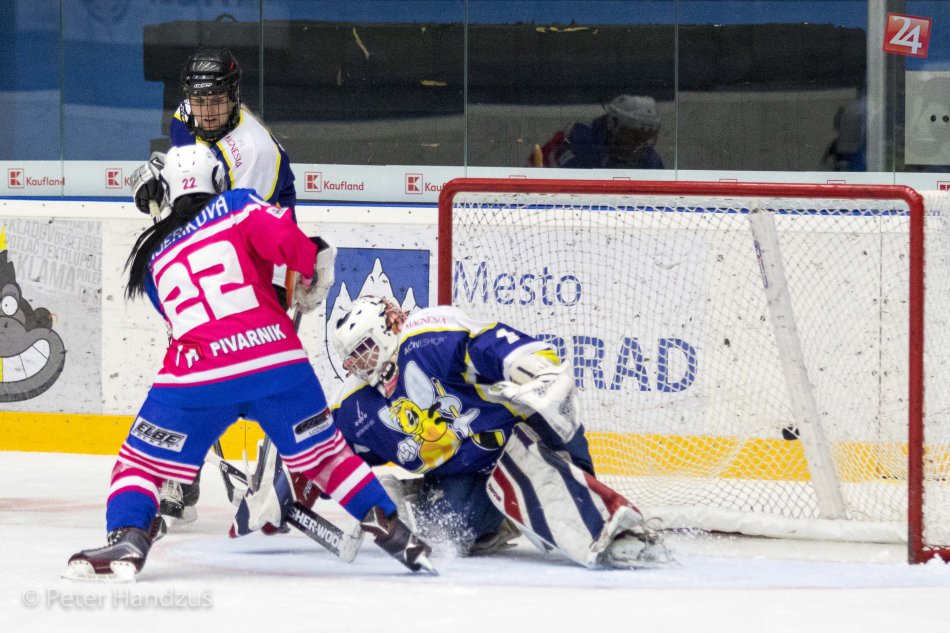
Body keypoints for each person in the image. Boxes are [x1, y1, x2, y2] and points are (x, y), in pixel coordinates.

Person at [63, 147, 433, 580]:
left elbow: (185, 317)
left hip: (197, 376)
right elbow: (290, 245)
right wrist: (312, 264)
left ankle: (129, 535)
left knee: (140, 464)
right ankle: (395, 533)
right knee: (326, 455)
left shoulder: (153, 260)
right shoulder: (236, 205)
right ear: (218, 180)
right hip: (277, 362)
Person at [317, 296, 669, 569]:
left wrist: (535, 370)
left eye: (363, 349)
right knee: (445, 532)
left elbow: (490, 344)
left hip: (527, 433)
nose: (358, 364)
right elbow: (322, 449)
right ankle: (437, 501)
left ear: (389, 326)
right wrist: (293, 485)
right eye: (351, 358)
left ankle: (615, 531)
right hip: (469, 471)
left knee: (543, 477)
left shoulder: (427, 338)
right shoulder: (355, 404)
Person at [128, 47, 298, 523]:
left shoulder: (253, 151)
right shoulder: (188, 115)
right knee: (192, 366)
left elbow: (233, 226)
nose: (205, 112)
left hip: (266, 259)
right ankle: (181, 481)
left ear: (234, 96)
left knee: (253, 374)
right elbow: (184, 173)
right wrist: (156, 179)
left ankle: (293, 470)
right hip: (213, 257)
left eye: (216, 101)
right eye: (199, 101)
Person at [531, 94, 664, 170]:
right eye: (633, 135)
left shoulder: (651, 161)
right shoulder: (581, 142)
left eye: (648, 137)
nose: (641, 145)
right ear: (612, 125)